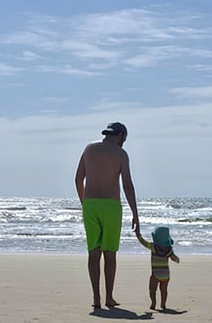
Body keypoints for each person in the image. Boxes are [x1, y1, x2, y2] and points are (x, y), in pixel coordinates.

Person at [75, 122, 140, 309]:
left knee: (93, 253)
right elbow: (128, 185)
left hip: (90, 205)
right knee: (110, 254)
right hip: (111, 206)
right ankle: (109, 297)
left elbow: (78, 178)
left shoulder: (89, 149)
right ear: (120, 136)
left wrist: (85, 202)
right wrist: (135, 213)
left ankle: (96, 298)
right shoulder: (120, 154)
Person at [135, 226, 180, 310]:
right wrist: (177, 259)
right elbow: (174, 258)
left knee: (152, 289)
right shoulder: (169, 249)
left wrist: (138, 235)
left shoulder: (153, 246)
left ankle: (153, 302)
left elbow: (143, 242)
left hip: (155, 274)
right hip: (166, 275)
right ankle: (163, 304)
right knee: (164, 290)